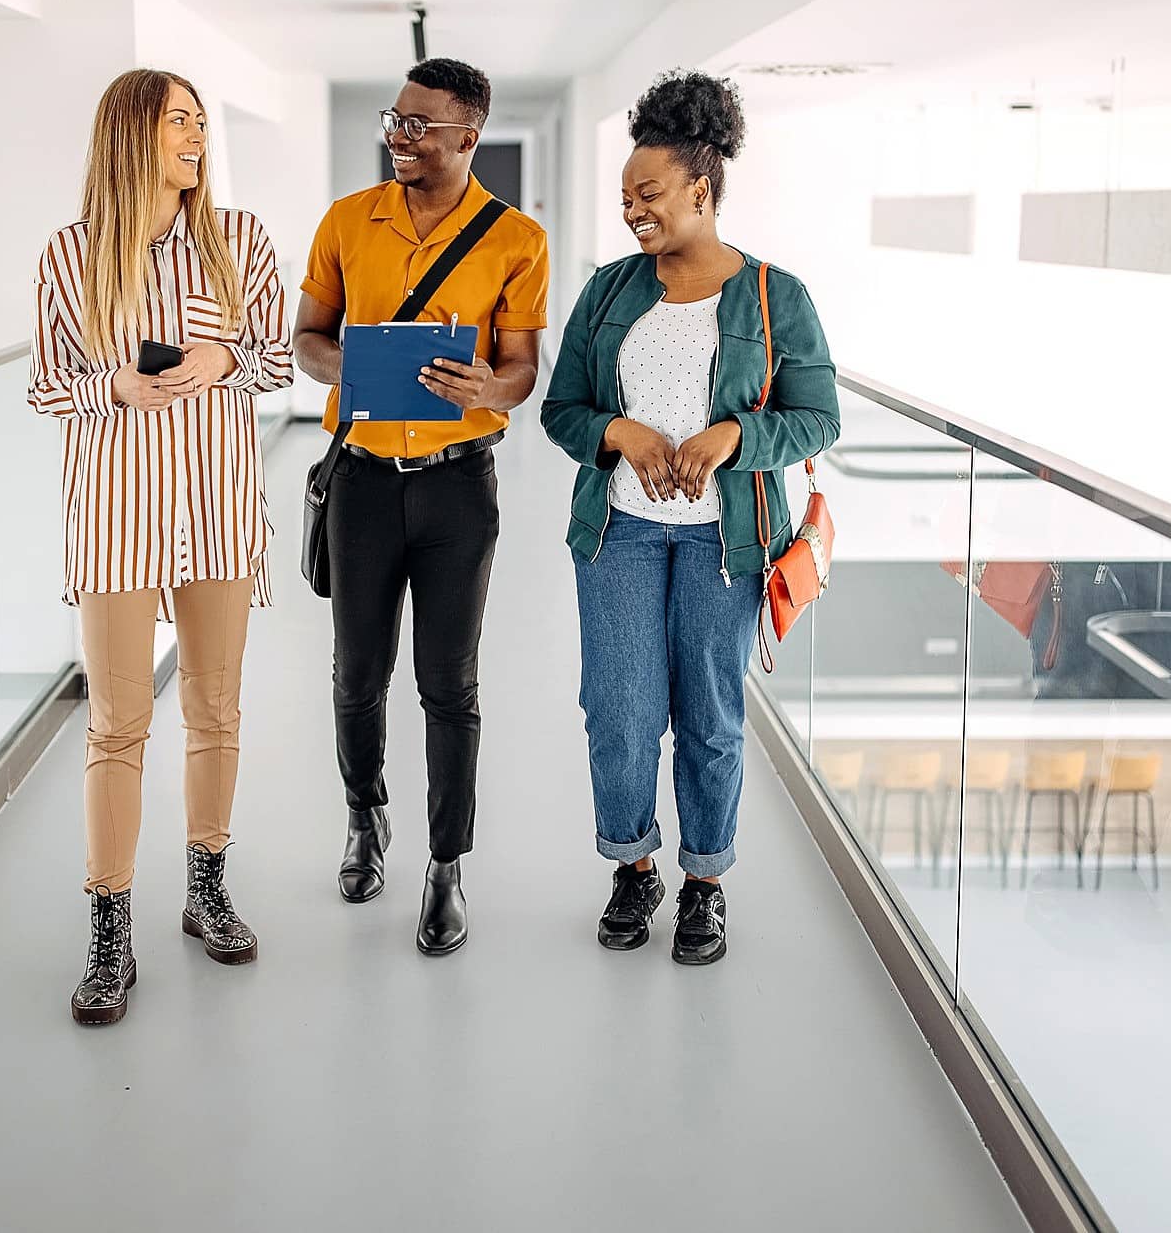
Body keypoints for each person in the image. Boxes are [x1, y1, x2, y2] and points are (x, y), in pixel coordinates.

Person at [540, 70, 839, 965]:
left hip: (727, 542)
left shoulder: (774, 296)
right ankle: (633, 868)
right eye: (626, 194)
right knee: (620, 712)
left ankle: (704, 882)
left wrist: (729, 439)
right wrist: (620, 431)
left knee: (709, 718)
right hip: (619, 533)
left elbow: (817, 417)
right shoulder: (608, 292)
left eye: (650, 193)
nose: (633, 209)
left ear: (700, 190)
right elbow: (562, 411)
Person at [28, 69, 292, 1024]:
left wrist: (223, 357)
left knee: (215, 707)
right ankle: (109, 931)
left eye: (199, 123)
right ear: (131, 132)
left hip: (218, 509)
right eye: (177, 120)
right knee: (117, 722)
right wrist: (115, 389)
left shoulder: (241, 244)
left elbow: (277, 357)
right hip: (118, 515)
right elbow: (46, 385)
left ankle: (206, 888)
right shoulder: (71, 256)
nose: (194, 137)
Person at [294, 57, 549, 956]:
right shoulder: (344, 222)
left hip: (456, 485)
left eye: (418, 125)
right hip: (361, 480)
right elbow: (307, 341)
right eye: (393, 120)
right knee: (356, 676)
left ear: (466, 136)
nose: (398, 136)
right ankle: (366, 819)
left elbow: (521, 370)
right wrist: (353, 363)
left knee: (450, 685)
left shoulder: (517, 239)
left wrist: (492, 382)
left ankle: (447, 867)